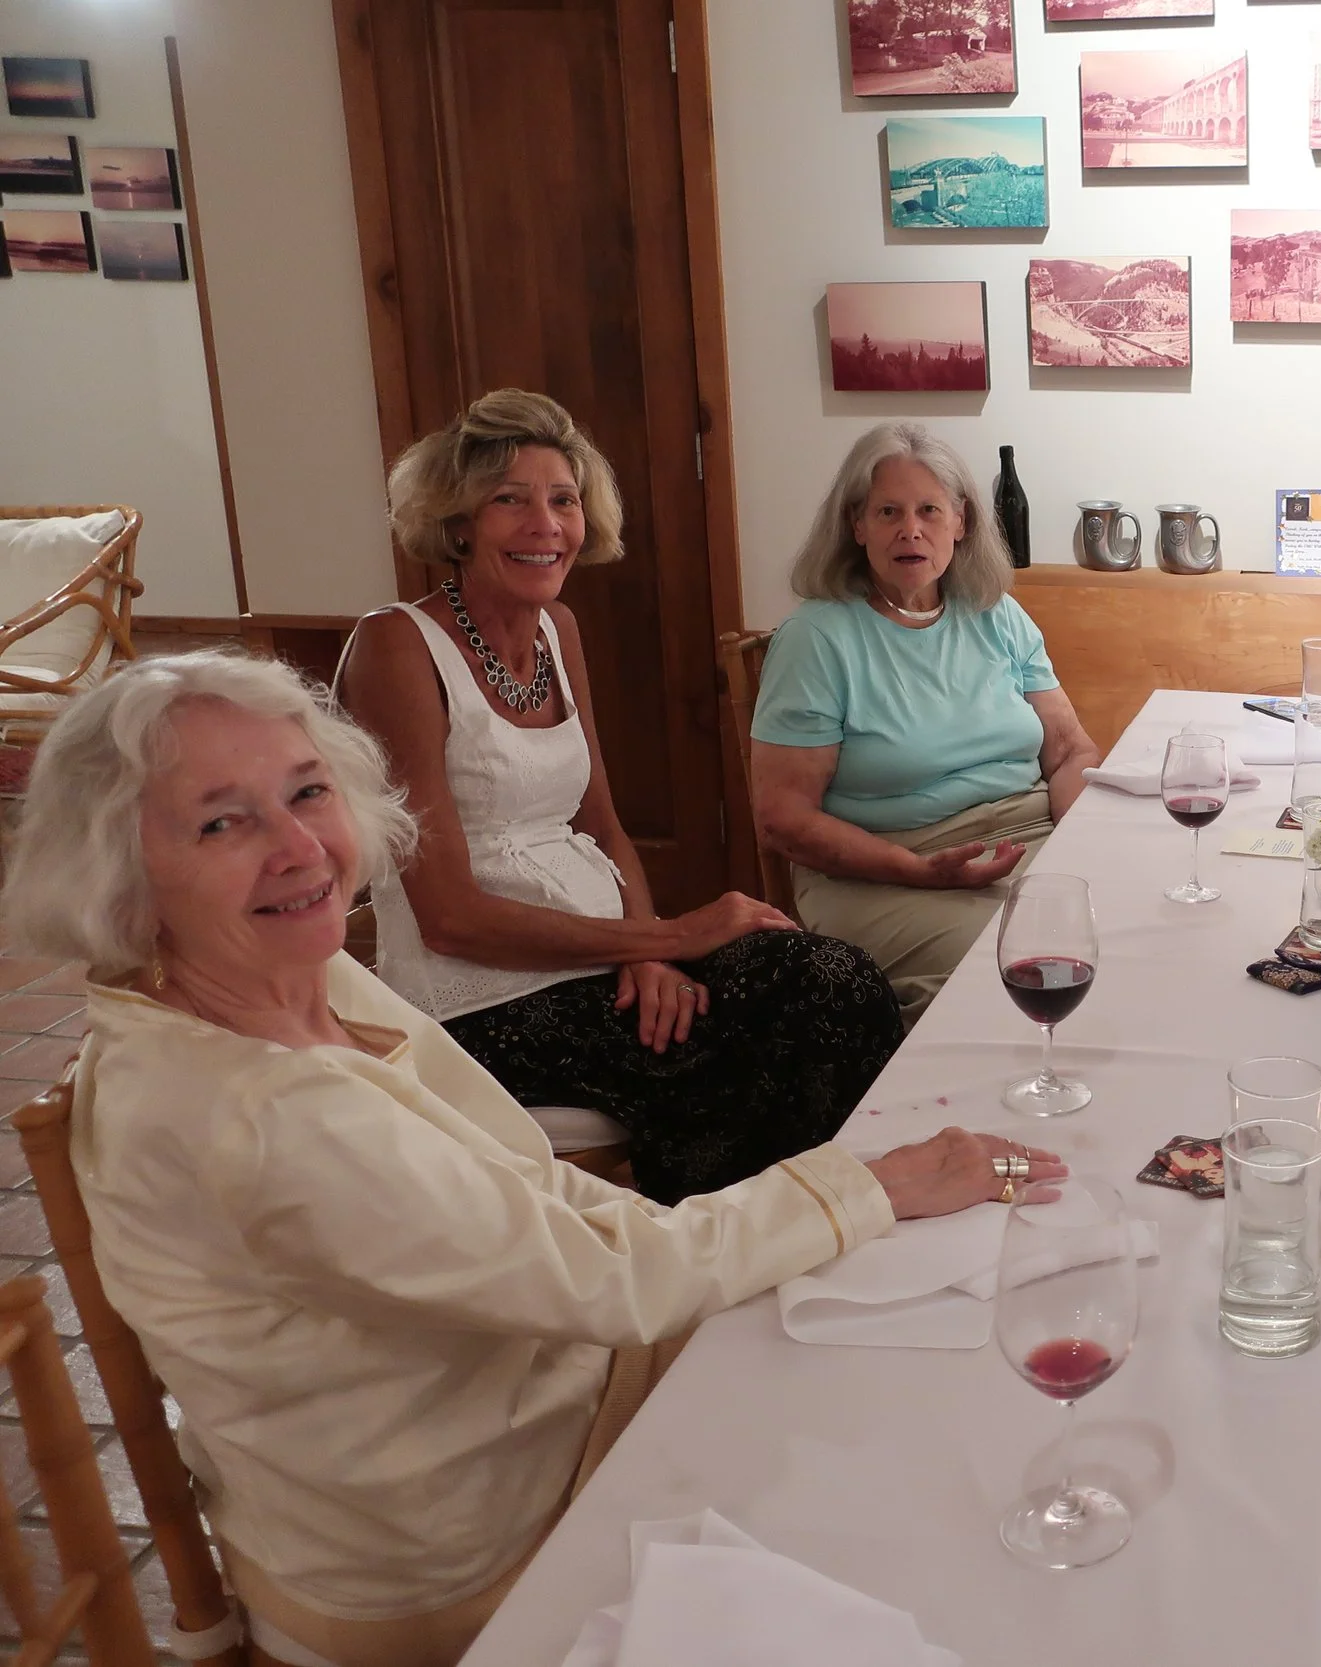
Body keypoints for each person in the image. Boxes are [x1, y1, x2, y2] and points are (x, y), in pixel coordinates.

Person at [0, 650, 1064, 1666]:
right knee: (931, 1484)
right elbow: (613, 1283)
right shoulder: (258, 1112)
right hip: (471, 1543)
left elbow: (539, 1194)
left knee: (897, 1348)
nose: (299, 848)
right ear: (121, 873)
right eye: (221, 821)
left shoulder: (287, 976)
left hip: (540, 1392)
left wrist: (826, 1209)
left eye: (307, 791)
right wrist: (871, 1183)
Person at [337, 389, 902, 1204]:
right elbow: (449, 916)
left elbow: (601, 825)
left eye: (563, 500)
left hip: (603, 955)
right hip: (479, 1004)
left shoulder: (557, 628)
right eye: (510, 500)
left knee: (837, 980)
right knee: (751, 1042)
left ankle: (818, 1224)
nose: (546, 525)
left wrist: (649, 951)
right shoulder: (396, 645)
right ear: (457, 521)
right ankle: (717, 1239)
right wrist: (670, 933)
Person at [749, 421, 1102, 1022]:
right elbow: (782, 820)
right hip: (885, 871)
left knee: (1131, 928)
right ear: (857, 525)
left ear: (961, 522)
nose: (910, 529)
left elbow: (1071, 753)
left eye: (929, 510)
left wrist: (1081, 846)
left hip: (1029, 843)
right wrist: (919, 871)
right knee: (1014, 966)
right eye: (888, 511)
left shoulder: (996, 614)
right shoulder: (815, 639)